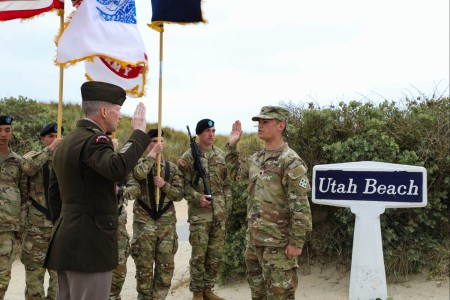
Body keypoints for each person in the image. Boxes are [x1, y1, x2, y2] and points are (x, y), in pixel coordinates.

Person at [43, 81, 151, 300]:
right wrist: (139, 134)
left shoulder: (65, 142)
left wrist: (66, 225)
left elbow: (53, 192)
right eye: (118, 110)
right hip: (89, 245)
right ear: (104, 111)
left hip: (67, 239)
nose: (121, 116)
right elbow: (117, 168)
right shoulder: (94, 140)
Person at [225, 106, 313, 300]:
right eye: (259, 122)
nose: (260, 126)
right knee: (258, 295)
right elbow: (235, 175)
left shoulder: (290, 161)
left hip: (278, 245)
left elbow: (301, 207)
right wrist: (231, 146)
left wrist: (296, 242)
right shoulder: (256, 159)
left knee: (280, 295)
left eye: (266, 122)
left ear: (281, 126)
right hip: (254, 242)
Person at [127, 128, 184, 299]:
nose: (158, 143)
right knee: (144, 268)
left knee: (165, 268)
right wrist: (152, 155)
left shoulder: (171, 169)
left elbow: (180, 194)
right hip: (144, 225)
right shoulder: (139, 164)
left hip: (166, 225)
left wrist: (164, 185)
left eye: (160, 140)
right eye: (153, 141)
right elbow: (138, 174)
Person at [177, 119, 231, 300]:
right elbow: (181, 187)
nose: (211, 134)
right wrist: (196, 197)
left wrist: (226, 208)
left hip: (219, 214)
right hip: (200, 216)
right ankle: (197, 292)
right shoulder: (188, 157)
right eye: (208, 131)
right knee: (199, 256)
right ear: (199, 134)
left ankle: (208, 289)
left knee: (215, 256)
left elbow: (227, 185)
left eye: (214, 130)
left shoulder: (221, 155)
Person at [21, 123, 63, 300]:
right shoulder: (34, 156)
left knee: (59, 280)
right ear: (42, 138)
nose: (54, 140)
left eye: (57, 137)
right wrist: (50, 150)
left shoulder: (64, 160)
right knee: (34, 279)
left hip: (59, 227)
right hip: (36, 228)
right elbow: (28, 168)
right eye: (50, 136)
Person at [0, 115, 28, 299]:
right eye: (0, 130)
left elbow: (25, 196)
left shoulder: (18, 162)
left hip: (7, 228)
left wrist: (21, 228)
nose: (3, 134)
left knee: (2, 276)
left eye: (7, 130)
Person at [107, 132, 131, 300]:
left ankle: (114, 296)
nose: (110, 141)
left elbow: (134, 188)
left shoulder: (122, 165)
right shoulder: (90, 162)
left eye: (111, 139)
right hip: (96, 223)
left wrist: (120, 191)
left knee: (120, 268)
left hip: (118, 222)